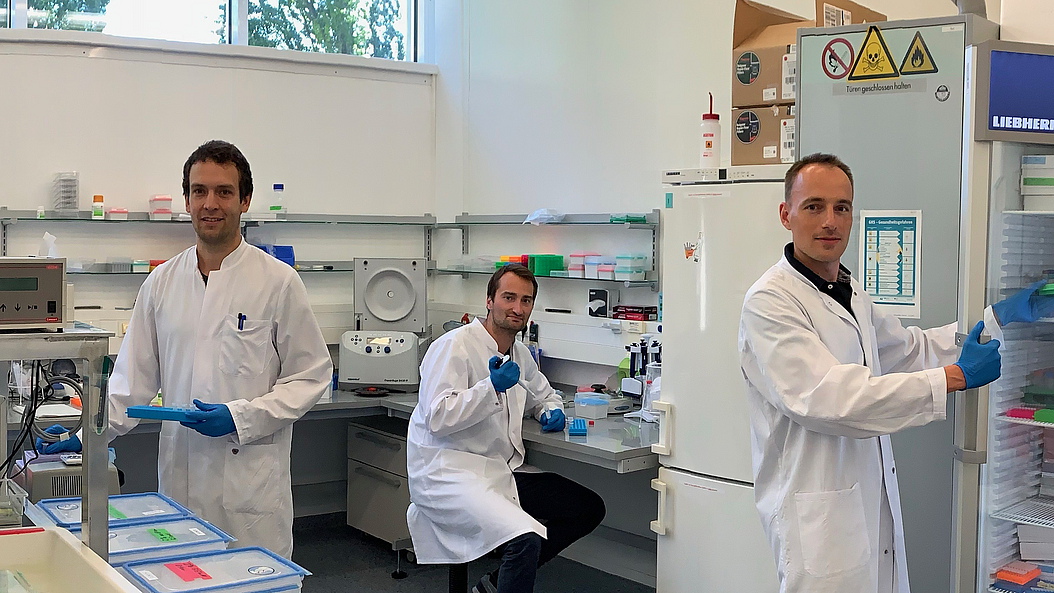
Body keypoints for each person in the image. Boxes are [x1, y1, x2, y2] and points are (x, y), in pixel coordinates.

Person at [738, 153, 1053, 593]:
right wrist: (953, 378)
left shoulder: (849, 292)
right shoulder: (769, 302)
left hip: (869, 508)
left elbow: (909, 350)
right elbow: (827, 400)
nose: (830, 220)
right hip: (818, 521)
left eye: (841, 207)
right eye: (813, 206)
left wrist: (996, 318)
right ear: (785, 215)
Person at [37, 140, 332, 559]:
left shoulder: (279, 283)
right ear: (187, 200)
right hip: (180, 484)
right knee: (180, 578)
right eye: (199, 191)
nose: (210, 203)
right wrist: (86, 436)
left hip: (249, 490)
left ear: (244, 200)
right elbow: (129, 385)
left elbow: (310, 376)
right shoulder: (162, 283)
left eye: (224, 192)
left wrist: (241, 415)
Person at [405, 264, 606, 593]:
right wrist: (491, 388)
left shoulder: (520, 354)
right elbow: (438, 417)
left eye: (526, 301)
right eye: (509, 297)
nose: (517, 308)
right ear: (489, 301)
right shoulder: (453, 346)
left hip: (499, 469)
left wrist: (549, 411)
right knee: (524, 539)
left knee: (587, 508)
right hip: (448, 471)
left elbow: (543, 395)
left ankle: (495, 585)